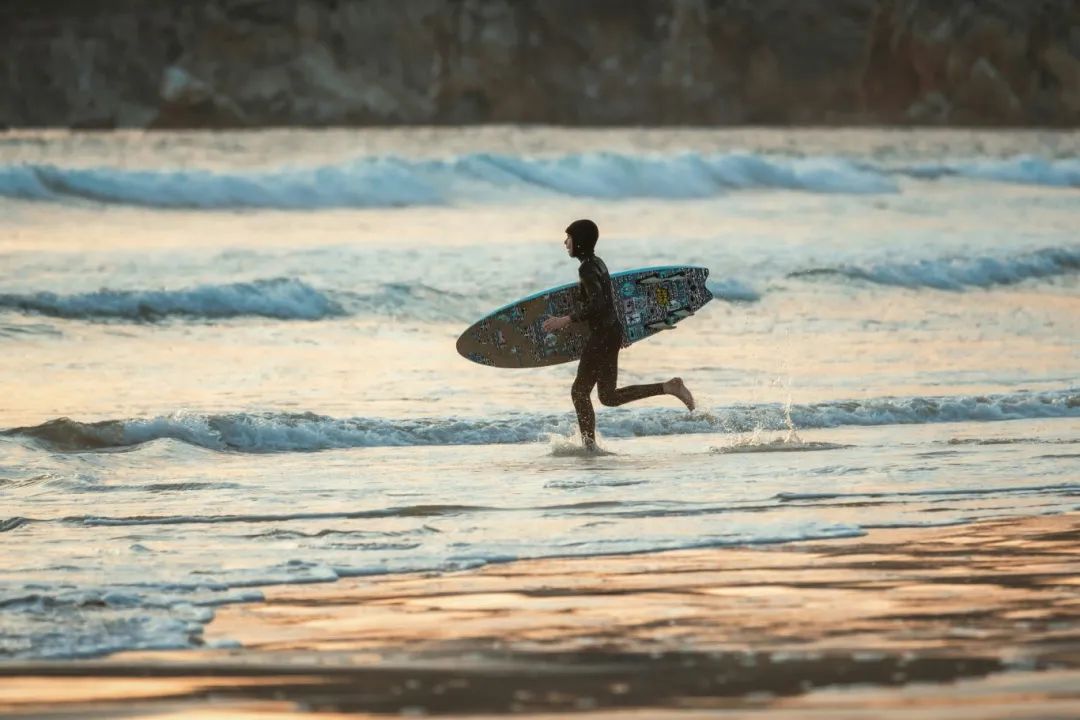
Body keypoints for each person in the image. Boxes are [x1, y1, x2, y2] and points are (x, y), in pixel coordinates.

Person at [542, 219, 695, 450]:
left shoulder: (587, 268)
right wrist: (620, 331)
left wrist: (565, 320)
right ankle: (668, 387)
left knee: (579, 391)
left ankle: (589, 447)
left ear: (579, 241)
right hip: (609, 332)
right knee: (608, 397)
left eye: (569, 238)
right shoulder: (598, 263)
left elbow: (599, 303)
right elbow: (610, 301)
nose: (565, 242)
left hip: (603, 335)